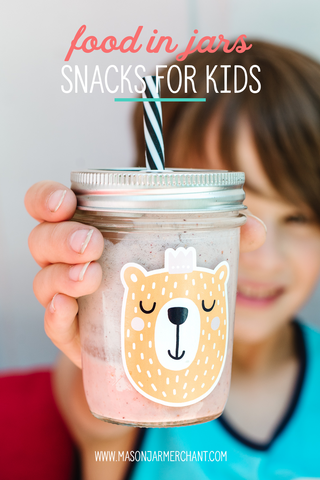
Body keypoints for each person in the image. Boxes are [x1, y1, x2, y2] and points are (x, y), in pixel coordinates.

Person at [4, 40, 320, 479]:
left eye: (299, 216)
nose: (261, 253)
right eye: (240, 211)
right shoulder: (112, 387)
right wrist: (96, 341)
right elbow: (96, 406)